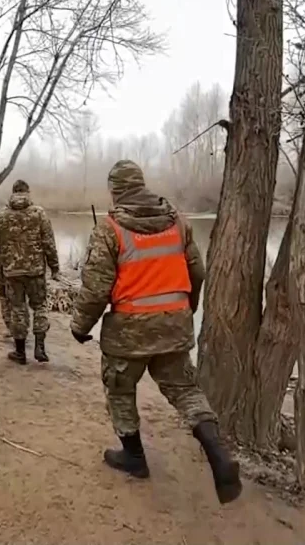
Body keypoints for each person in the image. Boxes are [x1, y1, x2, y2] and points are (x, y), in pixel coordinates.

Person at [70, 160, 241, 505]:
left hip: (129, 331)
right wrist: (186, 309)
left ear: (115, 191)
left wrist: (80, 326)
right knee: (185, 390)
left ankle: (134, 457)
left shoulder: (110, 229)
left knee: (120, 389)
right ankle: (219, 458)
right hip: (174, 326)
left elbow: (95, 290)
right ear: (142, 185)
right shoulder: (179, 223)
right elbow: (198, 272)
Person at [0, 179, 59, 364]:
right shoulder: (39, 213)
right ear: (28, 192)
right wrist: (55, 268)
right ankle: (40, 347)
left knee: (18, 309)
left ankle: (20, 352)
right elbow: (49, 242)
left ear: (13, 192)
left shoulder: (1, 216)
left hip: (12, 272)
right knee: (40, 306)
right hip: (36, 271)